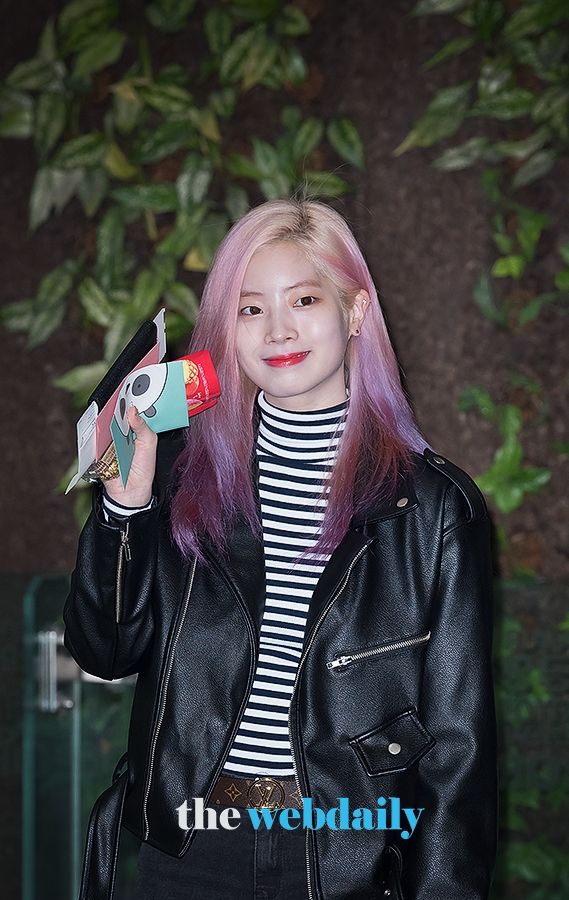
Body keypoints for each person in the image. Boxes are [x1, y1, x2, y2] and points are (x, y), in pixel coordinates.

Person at [64, 199, 497, 900]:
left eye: (303, 299)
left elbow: (458, 745)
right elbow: (103, 652)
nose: (278, 330)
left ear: (354, 311)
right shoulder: (176, 473)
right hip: (189, 847)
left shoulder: (432, 507)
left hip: (348, 852)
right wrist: (125, 508)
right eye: (250, 308)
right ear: (226, 330)